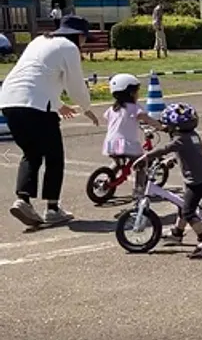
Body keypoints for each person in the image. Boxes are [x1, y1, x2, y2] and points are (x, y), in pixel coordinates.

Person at [0, 15, 99, 226]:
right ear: (79, 36)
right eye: (84, 38)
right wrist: (87, 108)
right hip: (36, 106)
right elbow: (75, 86)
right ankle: (52, 208)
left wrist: (56, 104)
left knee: (32, 153)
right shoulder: (69, 48)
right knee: (54, 155)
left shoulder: (39, 41)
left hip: (9, 101)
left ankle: (23, 200)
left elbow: (36, 77)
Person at [132, 102, 202, 258]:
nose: (166, 128)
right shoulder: (192, 136)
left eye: (168, 125)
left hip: (197, 183)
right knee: (182, 205)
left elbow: (166, 148)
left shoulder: (180, 139)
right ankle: (177, 233)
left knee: (188, 212)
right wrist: (172, 160)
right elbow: (188, 153)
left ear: (176, 126)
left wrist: (146, 157)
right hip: (200, 179)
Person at [103, 74, 165, 197]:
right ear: (131, 93)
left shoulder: (112, 109)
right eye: (137, 91)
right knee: (141, 163)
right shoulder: (134, 108)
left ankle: (106, 182)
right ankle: (139, 190)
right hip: (127, 144)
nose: (138, 94)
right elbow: (147, 119)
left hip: (111, 143)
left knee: (117, 163)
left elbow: (109, 118)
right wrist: (161, 127)